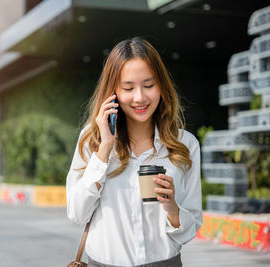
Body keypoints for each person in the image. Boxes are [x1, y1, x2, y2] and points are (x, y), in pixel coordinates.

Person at [66, 37, 202, 267]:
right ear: (113, 92)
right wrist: (104, 150)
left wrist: (172, 209)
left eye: (149, 85)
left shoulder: (185, 145)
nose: (140, 97)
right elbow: (77, 214)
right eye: (128, 88)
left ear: (161, 86)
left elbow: (190, 229)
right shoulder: (92, 140)